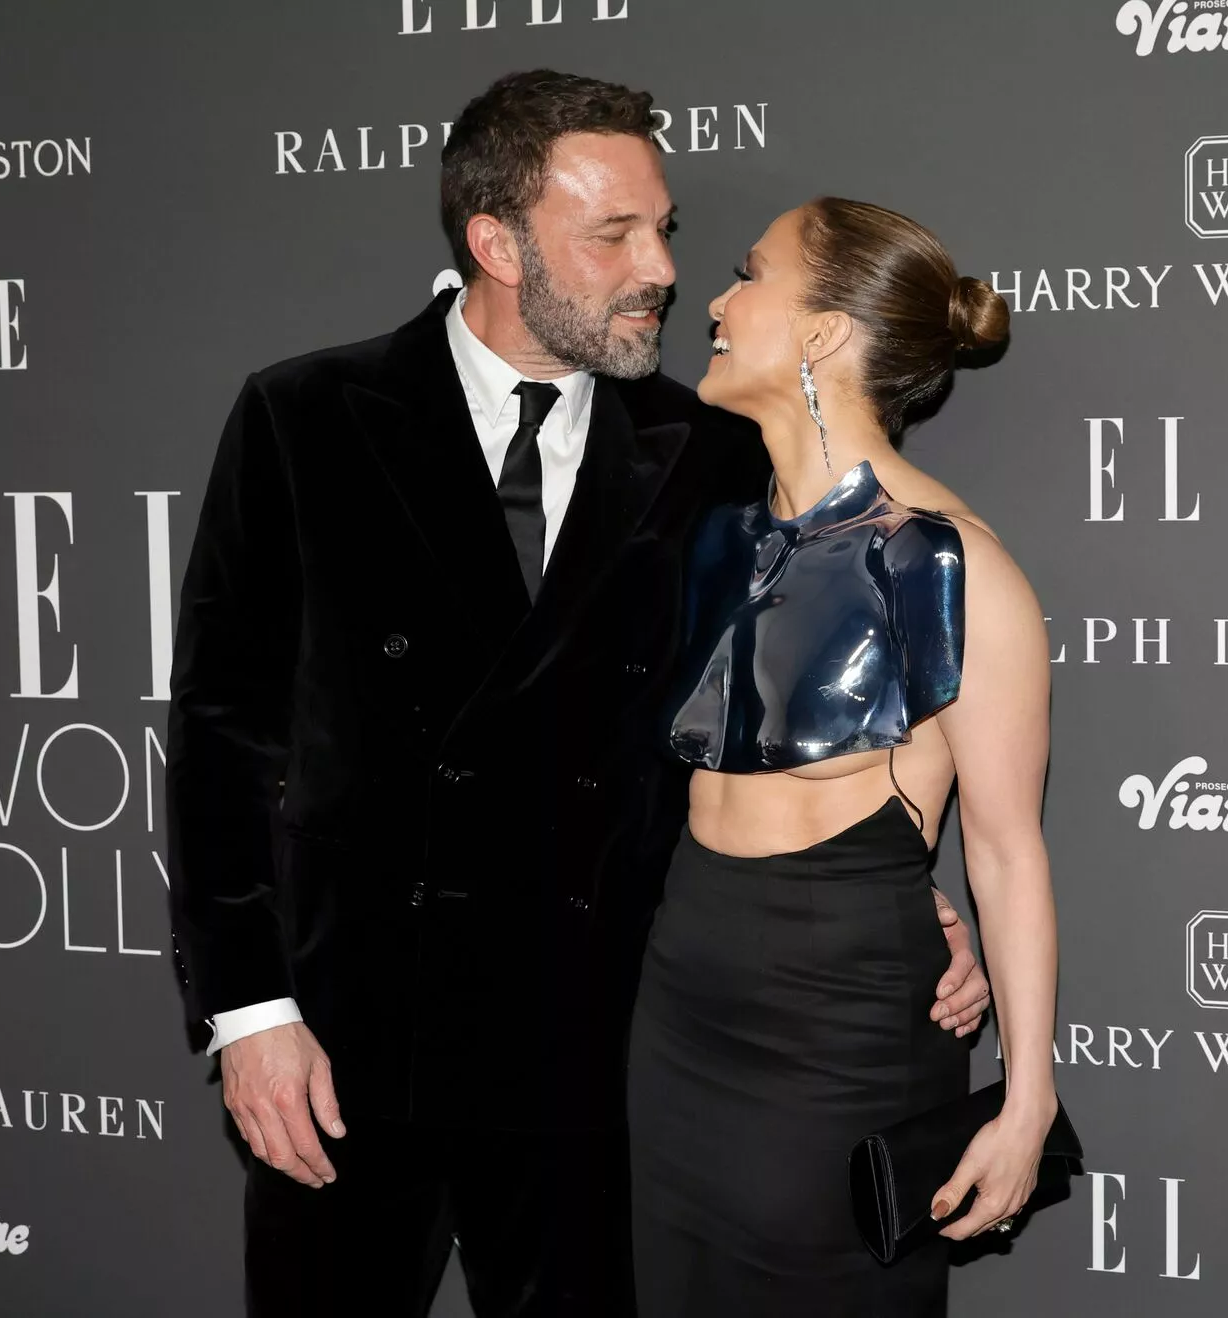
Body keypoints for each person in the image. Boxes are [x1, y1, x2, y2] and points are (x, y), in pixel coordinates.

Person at [165, 71, 992, 1318]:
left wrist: (896, 891)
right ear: (497, 244)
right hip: (347, 1043)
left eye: (663, 228)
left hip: (599, 1045)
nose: (661, 269)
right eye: (614, 234)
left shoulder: (712, 449)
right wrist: (248, 1009)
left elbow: (766, 726)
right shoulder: (307, 416)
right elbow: (223, 736)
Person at [625, 198, 1059, 1316]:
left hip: (833, 1030)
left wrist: (1027, 1102)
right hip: (678, 1005)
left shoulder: (951, 568)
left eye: (748, 274)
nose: (714, 302)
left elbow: (1006, 851)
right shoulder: (719, 537)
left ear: (822, 331)